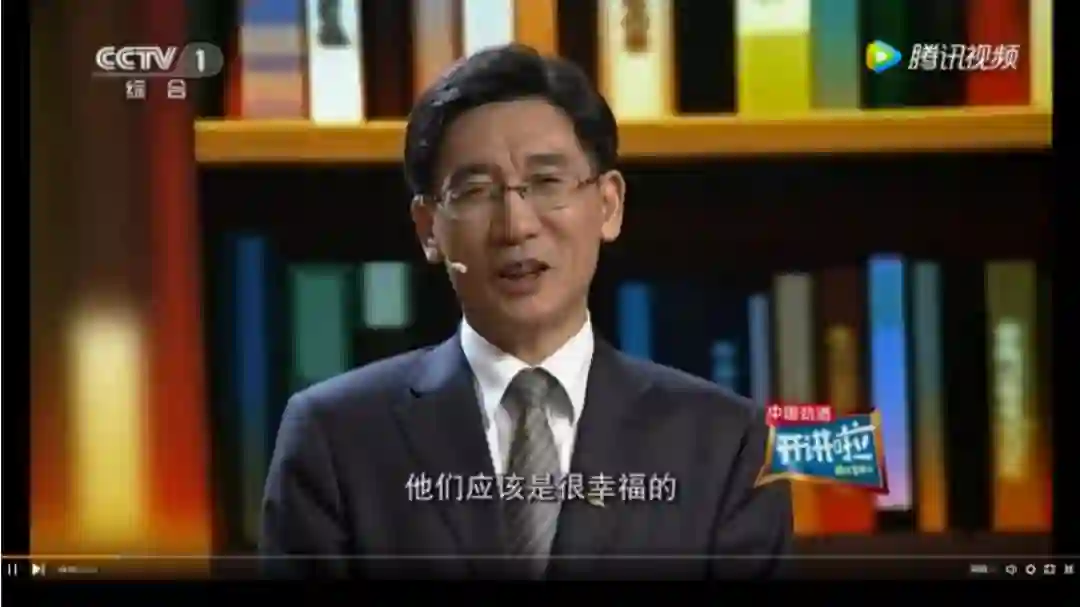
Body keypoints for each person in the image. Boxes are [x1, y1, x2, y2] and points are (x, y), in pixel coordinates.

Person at [259, 44, 792, 580]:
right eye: (475, 191)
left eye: (547, 183)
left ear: (608, 205)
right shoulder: (334, 438)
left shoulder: (728, 443)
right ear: (429, 229)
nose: (516, 226)